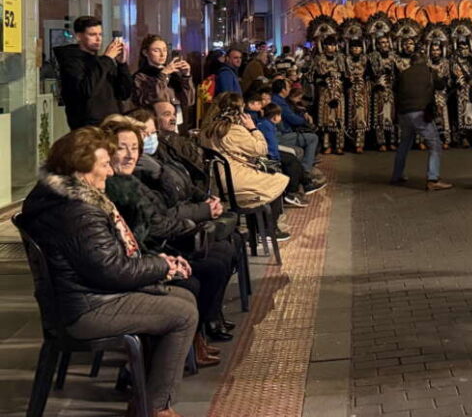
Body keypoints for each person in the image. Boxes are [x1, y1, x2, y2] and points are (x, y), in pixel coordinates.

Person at [18, 127, 198, 417]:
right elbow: (111, 271)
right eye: (104, 164)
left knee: (183, 299)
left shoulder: (62, 199)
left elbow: (106, 263)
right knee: (183, 314)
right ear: (81, 167)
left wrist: (159, 265)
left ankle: (144, 398)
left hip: (82, 297)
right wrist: (161, 266)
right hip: (86, 309)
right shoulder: (78, 211)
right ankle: (155, 408)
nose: (111, 172)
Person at [101, 116, 230, 366]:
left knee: (218, 255)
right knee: (198, 276)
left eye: (135, 148)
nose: (129, 155)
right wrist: (189, 227)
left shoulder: (132, 179)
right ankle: (185, 345)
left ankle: (195, 339)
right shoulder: (115, 188)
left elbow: (166, 206)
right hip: (133, 266)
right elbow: (154, 226)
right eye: (121, 148)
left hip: (148, 251)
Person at [199, 92, 291, 239]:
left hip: (217, 182)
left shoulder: (207, 130)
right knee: (279, 179)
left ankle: (259, 228)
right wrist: (253, 128)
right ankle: (268, 230)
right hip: (235, 180)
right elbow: (261, 149)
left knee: (269, 175)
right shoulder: (233, 130)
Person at [54, 16, 132, 129]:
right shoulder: (71, 62)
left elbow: (124, 93)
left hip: (112, 125)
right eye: (92, 34)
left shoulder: (102, 62)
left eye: (100, 34)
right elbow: (87, 90)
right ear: (79, 36)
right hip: (88, 128)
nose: (98, 39)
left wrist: (122, 65)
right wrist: (107, 59)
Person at [391, 52, 453, 191]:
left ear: (411, 62)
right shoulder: (430, 72)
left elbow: (394, 88)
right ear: (425, 61)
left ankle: (397, 175)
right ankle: (433, 179)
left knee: (405, 143)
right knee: (435, 144)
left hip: (403, 114)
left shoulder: (403, 74)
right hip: (419, 113)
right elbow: (441, 85)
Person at [245, 90, 306, 208]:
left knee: (292, 157)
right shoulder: (261, 123)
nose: (261, 105)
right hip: (266, 155)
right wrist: (275, 158)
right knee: (291, 160)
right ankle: (292, 192)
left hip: (266, 151)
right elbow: (270, 143)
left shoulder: (259, 119)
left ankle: (303, 183)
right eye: (259, 102)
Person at [270, 78, 322, 186]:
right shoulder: (279, 102)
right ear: (283, 90)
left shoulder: (278, 99)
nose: (290, 89)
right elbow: (292, 118)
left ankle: (306, 167)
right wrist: (304, 120)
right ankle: (305, 171)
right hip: (281, 135)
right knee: (313, 138)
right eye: (288, 87)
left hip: (282, 132)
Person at [133, 35, 195, 120]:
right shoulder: (141, 76)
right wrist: (163, 75)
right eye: (156, 50)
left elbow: (189, 100)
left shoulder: (173, 74)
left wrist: (186, 75)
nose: (162, 55)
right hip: (155, 120)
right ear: (145, 53)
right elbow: (152, 99)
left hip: (177, 119)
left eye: (165, 50)